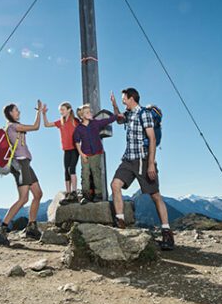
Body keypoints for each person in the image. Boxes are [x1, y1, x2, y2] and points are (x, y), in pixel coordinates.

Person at [110, 88, 175, 250]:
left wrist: (151, 163)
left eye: (124, 98)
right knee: (115, 185)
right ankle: (120, 224)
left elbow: (152, 138)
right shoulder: (129, 114)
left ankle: (167, 233)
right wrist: (115, 105)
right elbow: (119, 120)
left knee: (155, 195)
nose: (123, 101)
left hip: (143, 160)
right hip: (128, 159)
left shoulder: (143, 114)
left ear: (131, 98)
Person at [0, 100, 44, 246]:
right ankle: (1, 230)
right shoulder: (12, 126)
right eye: (16, 110)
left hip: (26, 164)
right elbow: (35, 127)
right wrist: (38, 111)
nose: (19, 112)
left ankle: (31, 227)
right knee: (23, 199)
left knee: (38, 194)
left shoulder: (15, 126)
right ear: (10, 113)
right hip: (20, 165)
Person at [73, 104, 117, 204]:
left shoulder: (95, 123)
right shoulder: (78, 129)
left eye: (90, 112)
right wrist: (81, 154)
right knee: (85, 174)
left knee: (96, 173)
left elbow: (107, 121)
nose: (90, 113)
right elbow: (77, 142)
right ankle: (86, 196)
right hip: (85, 154)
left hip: (97, 153)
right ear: (82, 116)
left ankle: (98, 195)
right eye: (87, 112)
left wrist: (117, 116)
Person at [43, 102, 80, 204]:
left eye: (63, 109)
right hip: (66, 150)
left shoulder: (75, 121)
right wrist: (44, 114)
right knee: (66, 171)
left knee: (71, 169)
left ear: (69, 109)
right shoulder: (61, 122)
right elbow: (46, 125)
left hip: (75, 149)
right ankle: (68, 193)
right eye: (60, 110)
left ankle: (74, 192)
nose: (61, 112)